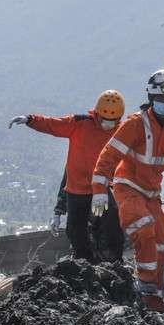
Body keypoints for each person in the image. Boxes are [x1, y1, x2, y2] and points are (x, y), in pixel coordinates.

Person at [91, 69, 164, 312]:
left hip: (152, 194)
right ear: (152, 97)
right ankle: (144, 286)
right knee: (143, 228)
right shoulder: (135, 124)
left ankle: (154, 300)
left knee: (162, 242)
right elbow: (109, 154)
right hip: (128, 188)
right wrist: (99, 187)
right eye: (161, 99)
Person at [9, 90, 125, 262]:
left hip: (103, 190)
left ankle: (113, 263)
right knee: (75, 230)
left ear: (119, 118)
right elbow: (53, 124)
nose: (107, 124)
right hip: (77, 190)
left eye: (112, 121)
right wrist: (30, 120)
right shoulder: (79, 123)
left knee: (111, 228)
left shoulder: (122, 132)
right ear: (96, 114)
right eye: (104, 119)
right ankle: (84, 263)